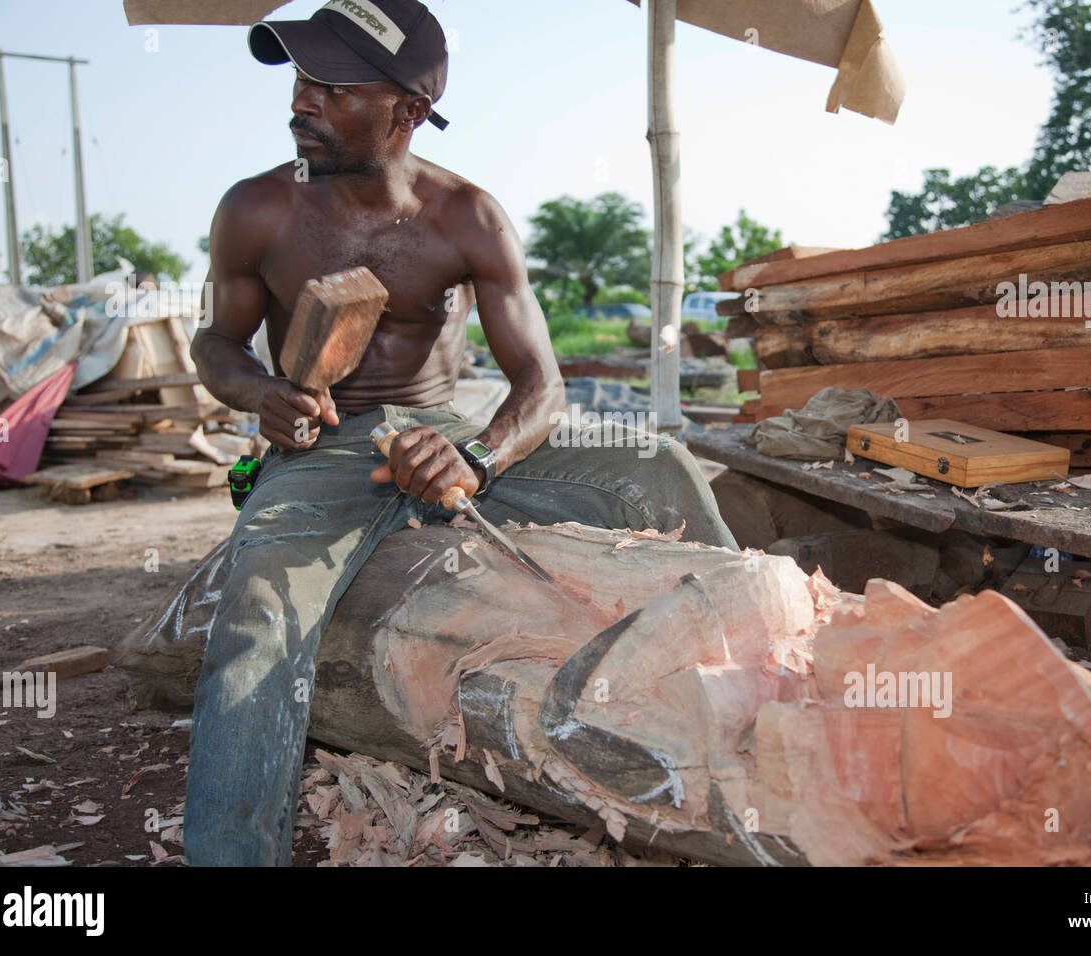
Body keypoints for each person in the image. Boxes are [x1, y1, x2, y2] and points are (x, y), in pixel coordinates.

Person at [183, 0, 737, 866]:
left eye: (331, 86)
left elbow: (541, 387)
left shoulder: (467, 216)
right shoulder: (256, 210)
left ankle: (752, 694)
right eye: (299, 79)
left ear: (405, 110)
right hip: (319, 449)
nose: (301, 100)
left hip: (446, 432)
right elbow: (213, 343)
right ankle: (229, 853)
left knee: (656, 464)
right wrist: (260, 393)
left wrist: (476, 456)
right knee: (258, 615)